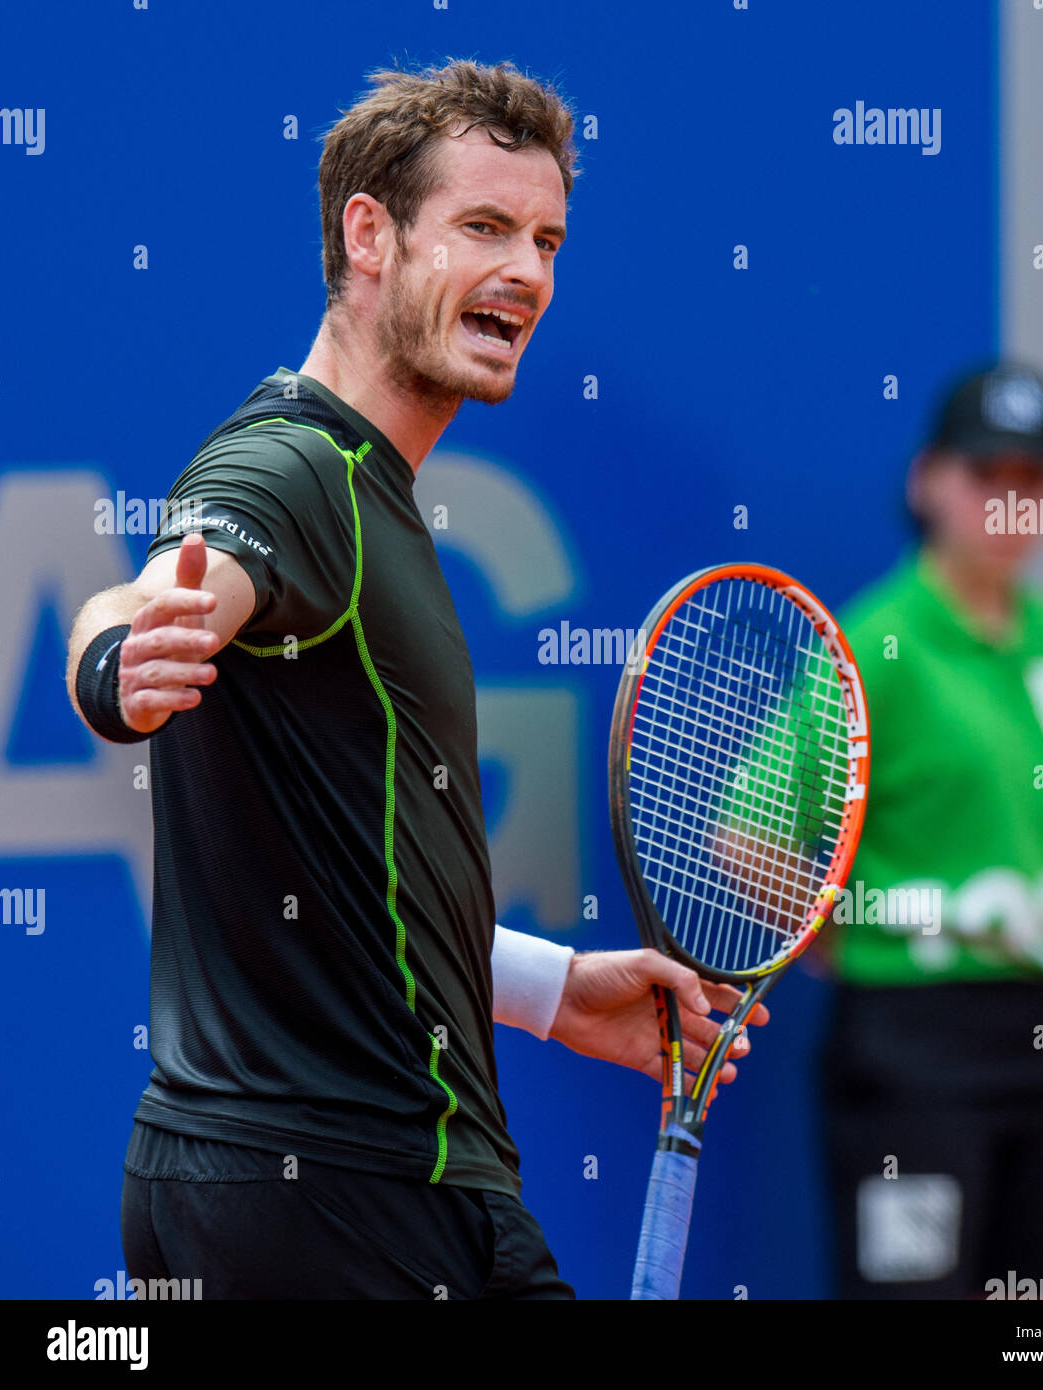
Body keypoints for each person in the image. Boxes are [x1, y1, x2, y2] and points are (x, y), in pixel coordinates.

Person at [65, 59, 763, 1301]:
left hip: (298, 1182)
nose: (528, 274)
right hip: (332, 1194)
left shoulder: (365, 492)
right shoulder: (295, 471)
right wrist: (114, 660)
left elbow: (339, 890)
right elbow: (160, 589)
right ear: (368, 233)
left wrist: (554, 994)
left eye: (547, 238)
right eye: (484, 228)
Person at [818, 363, 1043, 1299]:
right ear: (929, 482)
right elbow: (752, 842)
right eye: (985, 476)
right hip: (911, 1044)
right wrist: (879, 934)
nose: (1009, 503)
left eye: (1032, 483)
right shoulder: (875, 642)